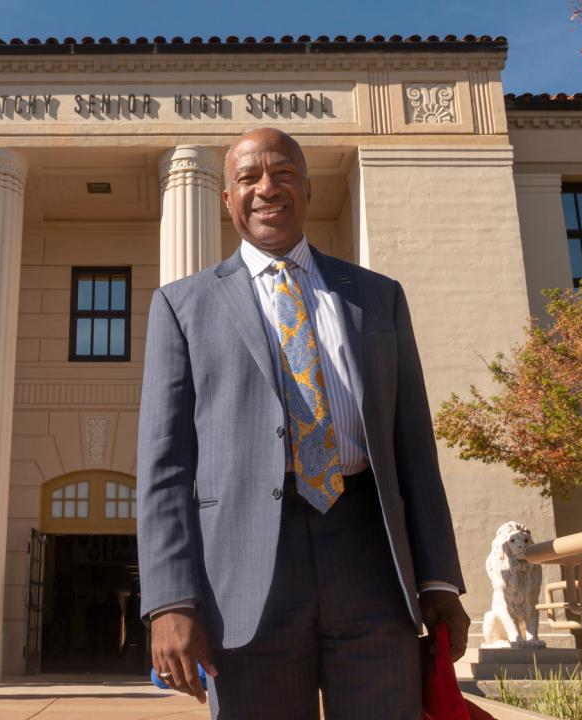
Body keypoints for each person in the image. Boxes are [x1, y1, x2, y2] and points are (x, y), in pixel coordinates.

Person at [137, 127, 470, 719]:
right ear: (228, 198)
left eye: (284, 173)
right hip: (246, 576)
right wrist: (170, 601)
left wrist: (439, 578)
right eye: (249, 177)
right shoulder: (182, 306)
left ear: (308, 189)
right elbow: (164, 470)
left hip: (369, 558)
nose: (268, 188)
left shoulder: (377, 296)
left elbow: (414, 447)